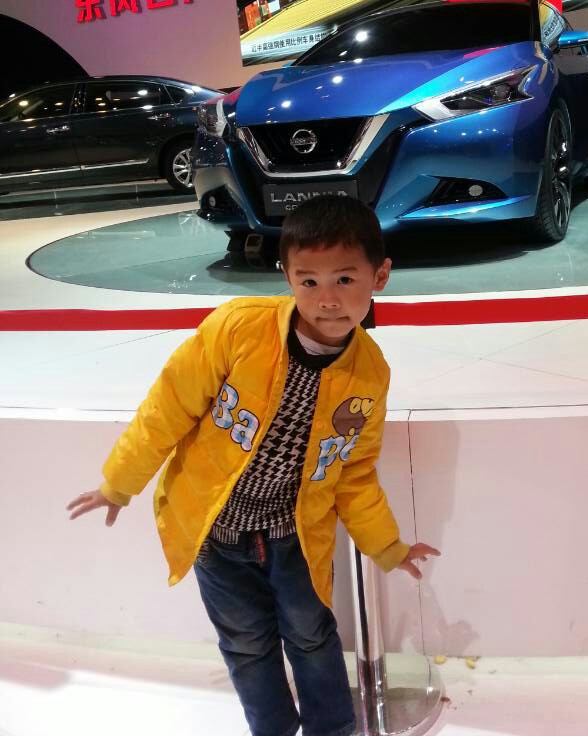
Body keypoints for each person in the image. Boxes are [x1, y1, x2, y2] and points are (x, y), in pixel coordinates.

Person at [67, 195, 440, 736]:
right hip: (216, 535)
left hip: (296, 538)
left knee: (311, 636)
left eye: (345, 279)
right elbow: (167, 408)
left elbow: (354, 471)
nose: (327, 299)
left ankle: (332, 729)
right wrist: (118, 483)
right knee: (244, 643)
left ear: (379, 276)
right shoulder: (239, 328)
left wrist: (387, 545)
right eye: (308, 281)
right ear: (286, 276)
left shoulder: (370, 372)